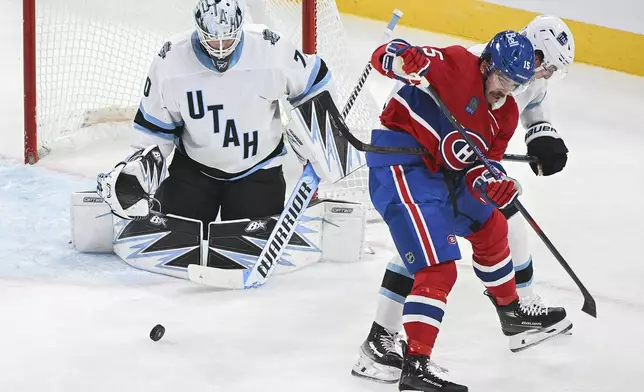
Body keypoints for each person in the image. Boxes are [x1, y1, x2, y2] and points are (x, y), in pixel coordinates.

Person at [352, 16, 576, 386]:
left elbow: (481, 163)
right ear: (488, 64)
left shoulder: (509, 104)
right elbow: (384, 57)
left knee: (493, 226)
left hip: (445, 173)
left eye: (515, 84)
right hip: (404, 161)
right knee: (434, 261)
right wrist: (402, 59)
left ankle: (512, 312)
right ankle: (404, 356)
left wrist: (496, 184)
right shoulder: (457, 63)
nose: (507, 90)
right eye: (503, 80)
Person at [97, 0, 331, 229]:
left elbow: (315, 80)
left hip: (259, 170)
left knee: (250, 247)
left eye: (228, 39)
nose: (221, 49)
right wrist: (139, 169)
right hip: (193, 170)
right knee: (174, 237)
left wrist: (320, 135)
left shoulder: (269, 49)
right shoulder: (170, 62)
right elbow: (155, 130)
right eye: (212, 40)